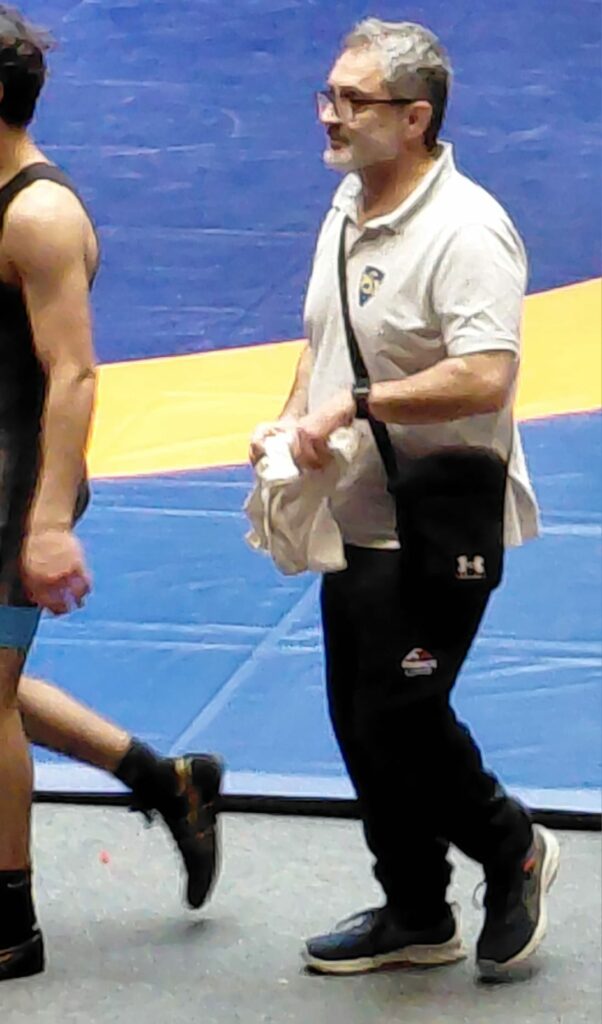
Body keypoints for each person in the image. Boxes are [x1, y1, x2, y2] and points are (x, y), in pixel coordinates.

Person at [250, 18, 559, 981]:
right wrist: (290, 421)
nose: (331, 115)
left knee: (403, 713)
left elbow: (486, 374)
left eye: (354, 101)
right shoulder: (349, 205)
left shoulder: (466, 230)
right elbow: (324, 337)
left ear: (416, 118)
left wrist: (355, 403)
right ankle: (417, 910)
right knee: (359, 719)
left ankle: (511, 844)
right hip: (354, 511)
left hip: (434, 521)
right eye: (329, 95)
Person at [0, 6, 222, 982]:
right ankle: (165, 780)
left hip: (12, 490)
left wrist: (48, 522)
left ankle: (9, 922)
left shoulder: (38, 216)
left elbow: (74, 374)